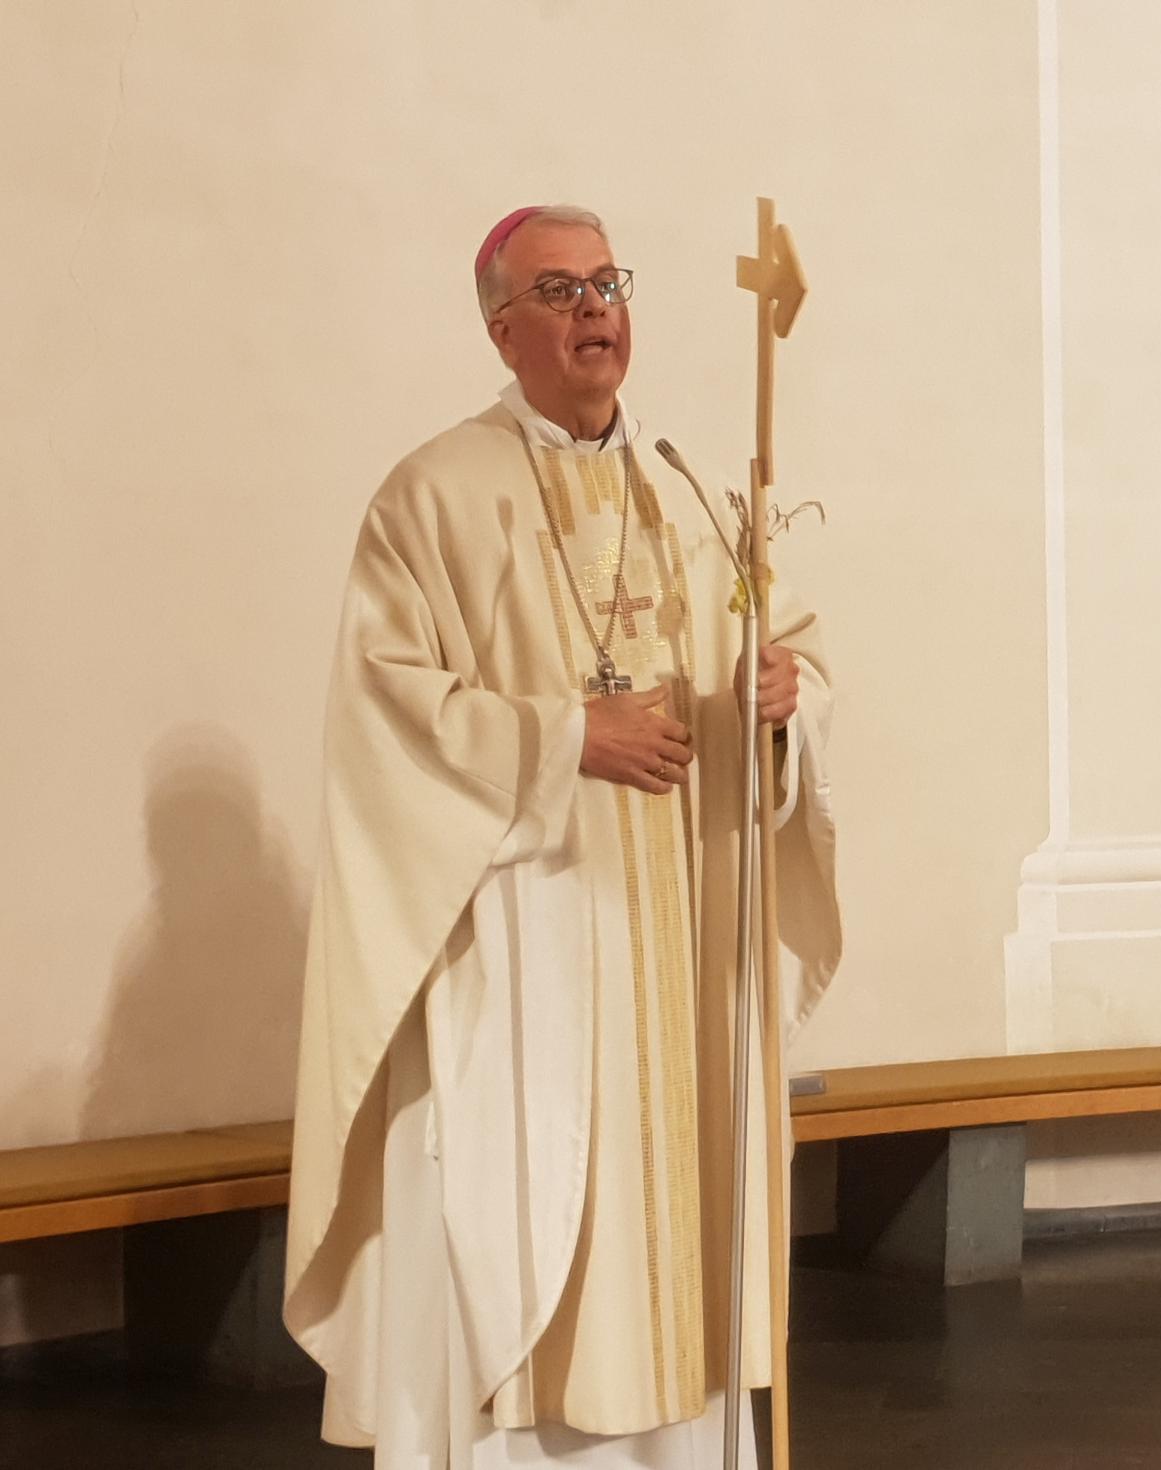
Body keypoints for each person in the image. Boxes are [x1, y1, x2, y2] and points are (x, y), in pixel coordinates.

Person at [283, 204, 840, 1468]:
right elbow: (387, 714)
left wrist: (776, 707)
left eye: (606, 284)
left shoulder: (696, 491)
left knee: (685, 1235)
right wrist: (564, 741)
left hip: (684, 943)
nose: (595, 310)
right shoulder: (434, 496)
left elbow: (792, 655)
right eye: (559, 291)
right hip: (528, 945)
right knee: (529, 1226)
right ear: (502, 329)